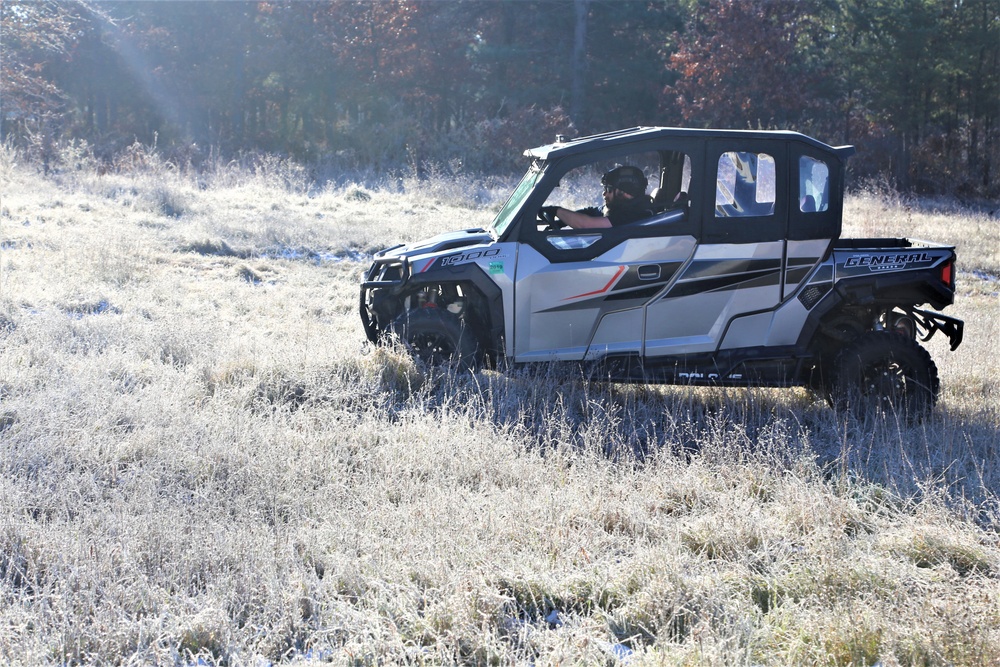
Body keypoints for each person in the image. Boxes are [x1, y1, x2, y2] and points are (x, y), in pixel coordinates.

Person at [540, 165, 654, 229]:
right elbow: (591, 212)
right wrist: (562, 222)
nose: (604, 194)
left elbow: (586, 224)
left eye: (608, 189)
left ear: (623, 192)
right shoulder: (621, 207)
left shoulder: (637, 215)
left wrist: (555, 211)